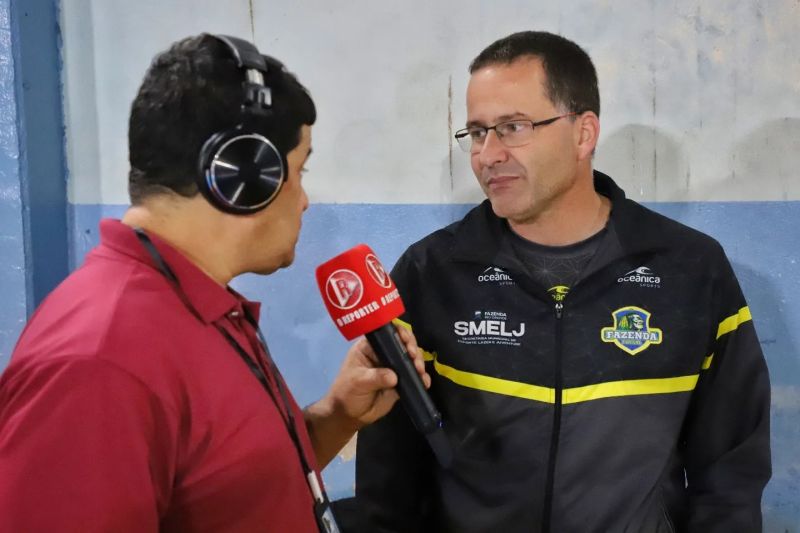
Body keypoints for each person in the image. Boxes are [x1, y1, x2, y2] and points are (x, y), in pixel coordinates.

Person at [0, 34, 427, 533]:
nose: (304, 200)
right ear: (247, 177)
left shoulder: (197, 304)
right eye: (298, 171)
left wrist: (336, 415)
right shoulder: (99, 361)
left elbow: (230, 491)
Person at [356, 31, 771, 532]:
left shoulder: (691, 269)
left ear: (583, 133)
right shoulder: (431, 273)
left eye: (512, 127)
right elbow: (389, 476)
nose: (487, 155)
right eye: (477, 132)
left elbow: (730, 474)